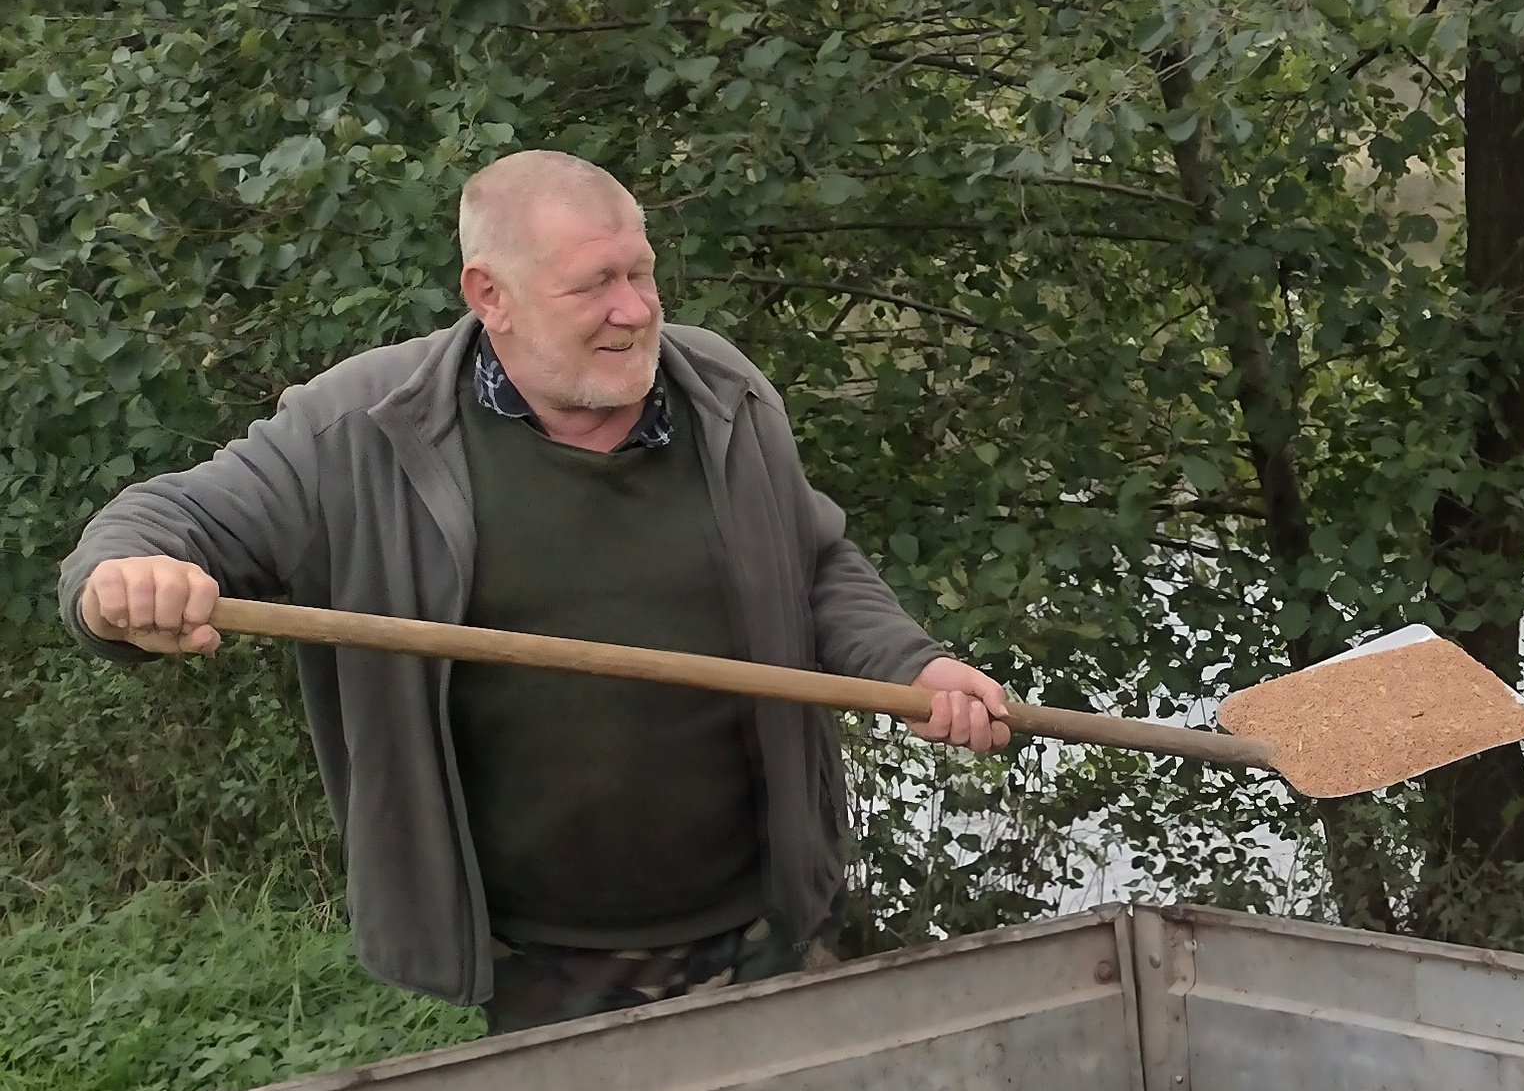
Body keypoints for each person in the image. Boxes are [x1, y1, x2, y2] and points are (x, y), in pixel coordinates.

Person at [60, 151, 1015, 1031]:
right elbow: (164, 522)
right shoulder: (362, 430)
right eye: (593, 284)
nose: (634, 310)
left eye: (640, 273)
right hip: (544, 958)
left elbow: (813, 562)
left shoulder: (723, 393)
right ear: (492, 295)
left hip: (769, 918)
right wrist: (123, 579)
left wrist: (910, 663)